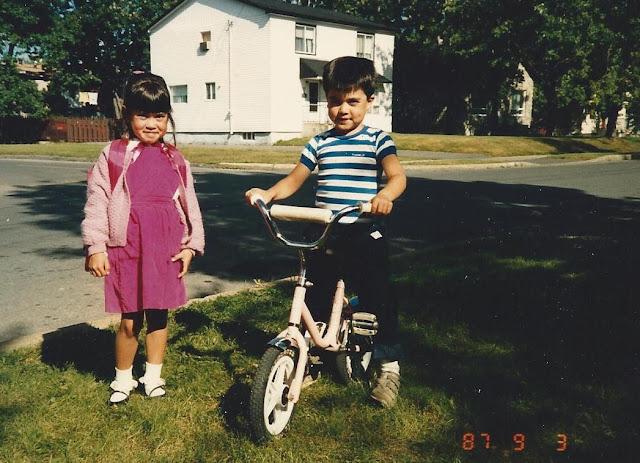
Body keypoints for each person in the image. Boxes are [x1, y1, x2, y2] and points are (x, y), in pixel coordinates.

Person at [245, 56, 406, 407]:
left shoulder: (378, 140)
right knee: (315, 292)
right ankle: (312, 355)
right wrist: (268, 194)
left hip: (363, 230)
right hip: (326, 230)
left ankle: (388, 365)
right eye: (334, 100)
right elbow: (294, 180)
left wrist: (384, 196)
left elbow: (397, 176)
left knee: (379, 296)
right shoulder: (319, 143)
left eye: (353, 101)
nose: (343, 109)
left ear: (369, 101)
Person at [82, 72, 205, 406]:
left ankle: (153, 377)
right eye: (143, 115)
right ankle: (123, 379)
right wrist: (96, 247)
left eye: (159, 116)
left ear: (168, 117)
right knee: (130, 318)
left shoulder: (176, 159)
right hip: (128, 247)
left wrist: (190, 246)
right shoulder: (114, 155)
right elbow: (97, 202)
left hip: (165, 247)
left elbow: (190, 205)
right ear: (128, 115)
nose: (152, 124)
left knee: (160, 314)